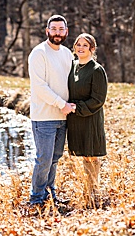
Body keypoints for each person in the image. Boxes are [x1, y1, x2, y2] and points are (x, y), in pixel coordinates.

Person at [25, 14, 75, 212]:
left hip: (63, 116)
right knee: (43, 158)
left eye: (61, 29)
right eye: (53, 29)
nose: (57, 33)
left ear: (66, 32)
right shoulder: (39, 53)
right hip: (44, 116)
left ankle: (49, 193)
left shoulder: (67, 54)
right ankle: (36, 198)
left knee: (54, 158)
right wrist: (60, 103)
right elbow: (39, 86)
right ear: (47, 31)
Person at [65, 32, 109, 209]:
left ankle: (93, 192)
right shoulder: (73, 66)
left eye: (85, 45)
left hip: (90, 117)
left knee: (91, 155)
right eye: (78, 44)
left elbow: (98, 99)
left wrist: (76, 107)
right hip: (76, 120)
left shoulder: (97, 70)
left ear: (92, 49)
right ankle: (87, 189)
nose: (81, 48)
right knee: (83, 154)